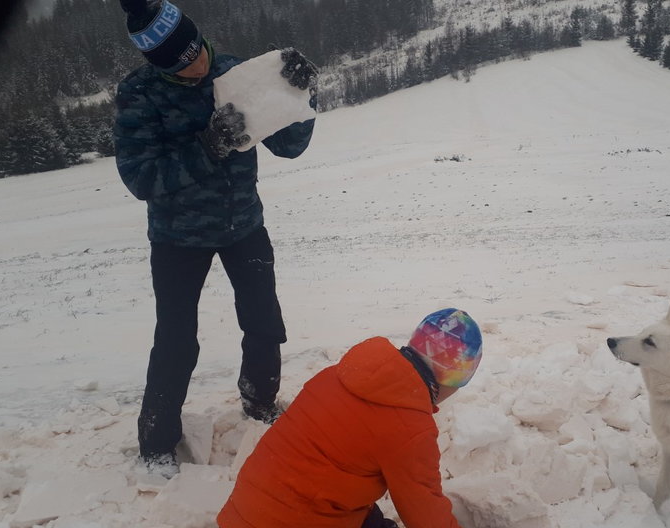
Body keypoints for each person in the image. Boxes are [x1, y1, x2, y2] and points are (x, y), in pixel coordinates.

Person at [113, 0, 318, 476]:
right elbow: (141, 179)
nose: (197, 64)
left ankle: (260, 402)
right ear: (157, 65)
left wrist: (302, 95)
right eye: (181, 63)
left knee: (264, 321)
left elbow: (289, 147)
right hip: (177, 238)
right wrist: (209, 146)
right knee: (177, 341)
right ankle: (157, 441)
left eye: (196, 50)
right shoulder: (138, 95)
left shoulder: (234, 73)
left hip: (244, 224)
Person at [217, 308, 483, 528]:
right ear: (452, 379)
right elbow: (426, 513)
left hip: (246, 510)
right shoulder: (409, 427)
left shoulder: (340, 374)